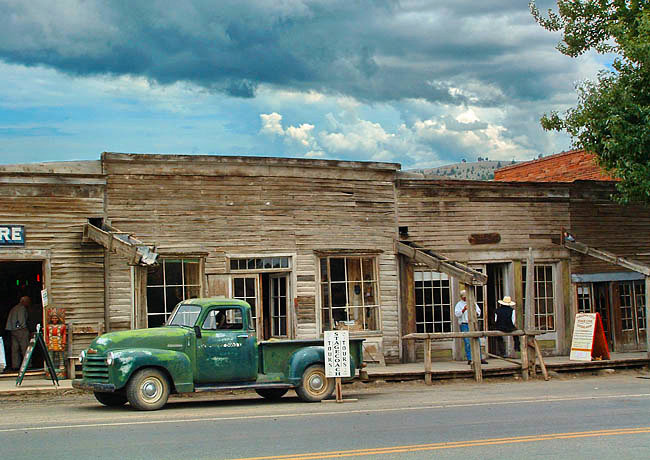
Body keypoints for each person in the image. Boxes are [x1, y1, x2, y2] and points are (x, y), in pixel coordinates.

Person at [454, 290, 487, 365]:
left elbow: (479, 312)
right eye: (464, 297)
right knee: (467, 342)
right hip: (464, 324)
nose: (466, 298)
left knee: (477, 341)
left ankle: (479, 358)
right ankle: (470, 358)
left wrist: (475, 311)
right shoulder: (459, 304)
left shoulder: (473, 303)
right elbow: (457, 314)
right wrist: (464, 309)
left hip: (473, 323)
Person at [5, 296, 31, 370]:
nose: (28, 303)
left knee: (15, 348)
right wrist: (24, 327)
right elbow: (21, 319)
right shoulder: (22, 308)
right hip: (20, 330)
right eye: (27, 302)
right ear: (24, 302)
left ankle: (15, 365)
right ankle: (27, 365)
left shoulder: (14, 308)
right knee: (25, 347)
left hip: (13, 330)